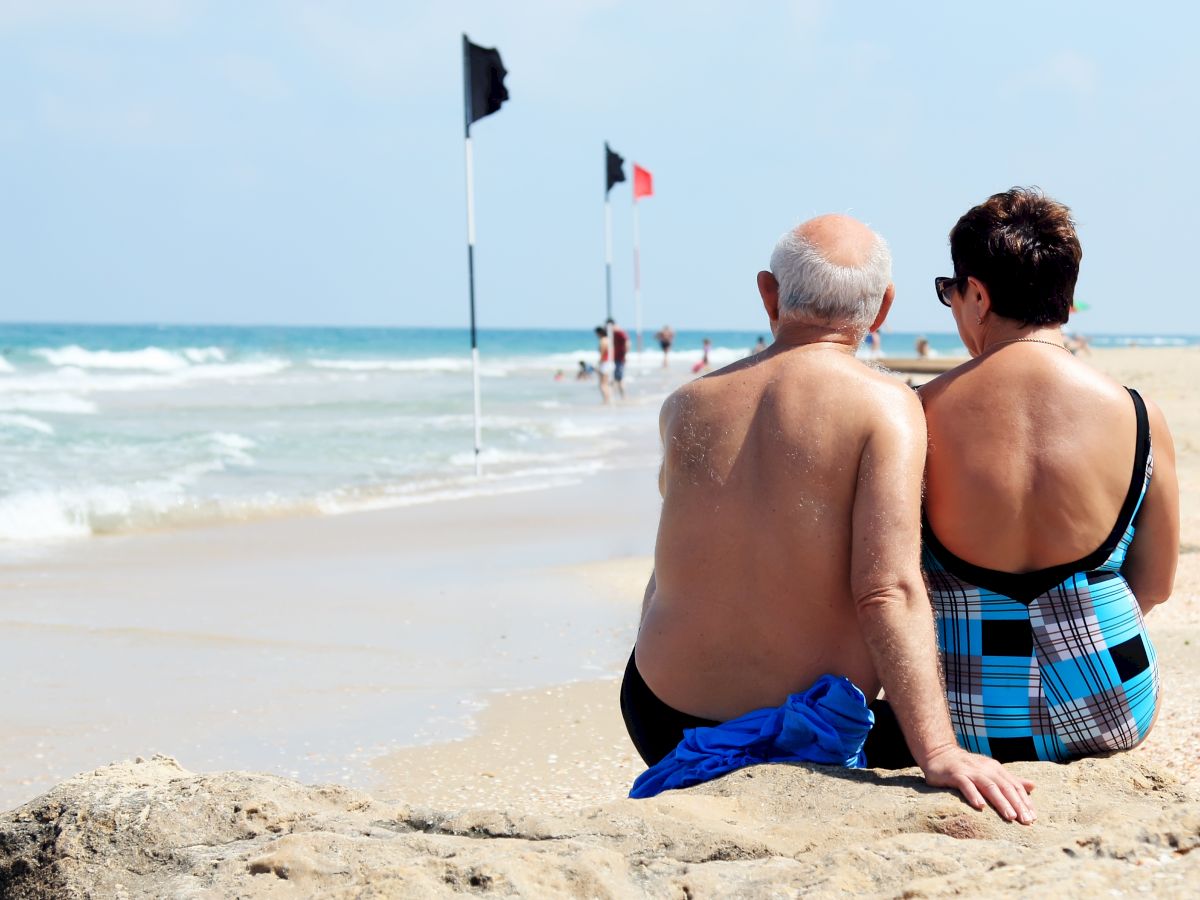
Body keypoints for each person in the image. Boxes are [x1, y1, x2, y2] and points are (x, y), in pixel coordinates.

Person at [623, 214, 1036, 822]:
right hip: (809, 730)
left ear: (769, 292)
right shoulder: (885, 406)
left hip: (659, 710)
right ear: (883, 309)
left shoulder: (686, 403)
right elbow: (886, 589)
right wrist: (940, 750)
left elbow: (671, 565)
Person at [920, 188, 1179, 764]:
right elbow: (1156, 584)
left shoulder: (916, 414)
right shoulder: (1140, 415)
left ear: (978, 296)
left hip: (968, 718)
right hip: (1114, 703)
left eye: (951, 292)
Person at [607, 318, 629, 399]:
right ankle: (620, 396)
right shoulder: (614, 332)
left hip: (620, 358)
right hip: (616, 357)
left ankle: (624, 396)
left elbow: (627, 342)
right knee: (617, 378)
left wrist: (625, 355)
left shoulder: (619, 332)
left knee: (619, 378)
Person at [594, 326, 612, 404]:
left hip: (604, 362)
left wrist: (598, 363)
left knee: (602, 384)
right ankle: (608, 398)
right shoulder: (609, 340)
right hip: (609, 362)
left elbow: (602, 353)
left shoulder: (602, 340)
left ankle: (605, 400)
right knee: (606, 382)